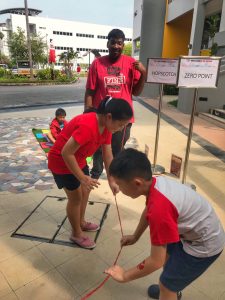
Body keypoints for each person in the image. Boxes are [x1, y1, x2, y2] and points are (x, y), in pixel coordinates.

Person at [105, 149, 225, 300]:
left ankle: (170, 291)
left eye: (120, 184)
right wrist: (136, 236)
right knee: (168, 261)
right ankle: (173, 289)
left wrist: (124, 276)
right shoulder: (155, 183)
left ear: (137, 183)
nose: (119, 189)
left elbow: (155, 261)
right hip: (190, 230)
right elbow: (148, 210)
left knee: (166, 284)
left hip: (204, 245)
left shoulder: (160, 210)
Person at [48, 97, 133, 249]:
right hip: (62, 163)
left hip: (78, 160)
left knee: (85, 191)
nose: (121, 129)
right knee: (76, 198)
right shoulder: (88, 126)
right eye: (121, 124)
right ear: (109, 117)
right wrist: (82, 178)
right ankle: (76, 233)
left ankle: (81, 222)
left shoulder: (107, 127)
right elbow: (66, 153)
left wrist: (112, 180)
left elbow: (108, 155)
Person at [84, 28, 146, 179]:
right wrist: (88, 113)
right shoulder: (97, 64)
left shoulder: (131, 63)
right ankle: (96, 173)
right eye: (113, 42)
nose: (116, 46)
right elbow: (90, 91)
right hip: (102, 117)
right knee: (98, 148)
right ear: (107, 44)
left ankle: (116, 176)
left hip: (123, 118)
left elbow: (136, 92)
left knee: (117, 149)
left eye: (119, 43)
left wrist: (144, 73)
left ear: (123, 45)